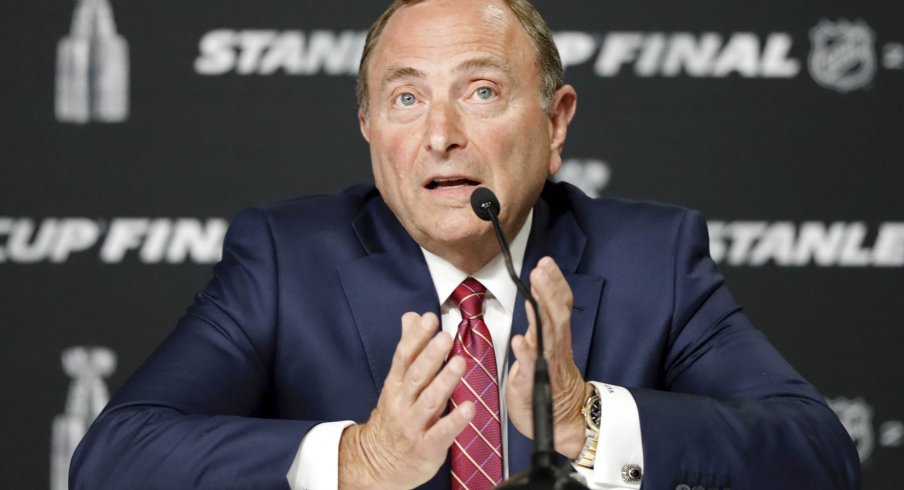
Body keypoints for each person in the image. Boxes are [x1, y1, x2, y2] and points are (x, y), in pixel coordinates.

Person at [70, 0, 861, 489]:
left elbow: (820, 457)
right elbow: (113, 462)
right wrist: (359, 462)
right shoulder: (284, 259)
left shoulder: (650, 257)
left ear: (555, 125)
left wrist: (582, 421)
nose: (440, 135)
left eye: (480, 91)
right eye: (406, 97)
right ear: (370, 131)